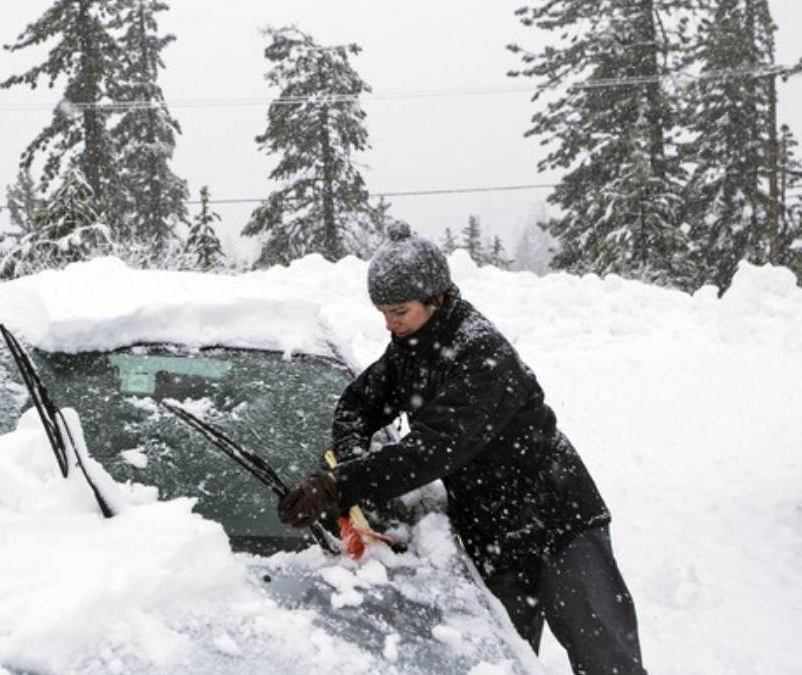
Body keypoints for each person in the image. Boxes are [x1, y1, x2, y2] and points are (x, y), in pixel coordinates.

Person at [277, 222, 647, 675]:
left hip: (557, 520)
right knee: (497, 661)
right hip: (489, 528)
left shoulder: (482, 356)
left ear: (438, 299)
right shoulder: (411, 347)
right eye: (383, 313)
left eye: (399, 311)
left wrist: (337, 484)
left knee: (606, 660)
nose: (389, 324)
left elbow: (428, 452)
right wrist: (352, 455)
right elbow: (359, 402)